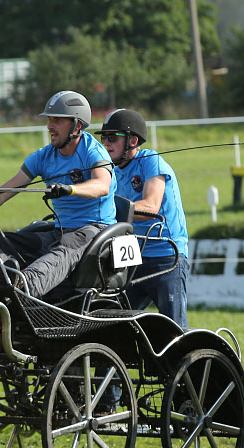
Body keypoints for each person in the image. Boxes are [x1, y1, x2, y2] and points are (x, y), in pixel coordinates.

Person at [0, 90, 117, 298]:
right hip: (60, 230)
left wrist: (70, 189)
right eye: (49, 120)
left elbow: (102, 185)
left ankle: (23, 289)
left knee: (64, 248)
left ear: (77, 126)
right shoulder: (43, 157)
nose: (49, 127)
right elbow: (3, 194)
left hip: (93, 231)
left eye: (57, 121)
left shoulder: (93, 151)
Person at [96, 108, 190, 328]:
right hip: (132, 258)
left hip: (167, 256)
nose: (106, 143)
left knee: (173, 330)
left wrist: (105, 213)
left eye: (112, 137)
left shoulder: (150, 160)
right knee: (114, 325)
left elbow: (151, 206)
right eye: (103, 137)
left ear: (132, 140)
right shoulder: (110, 170)